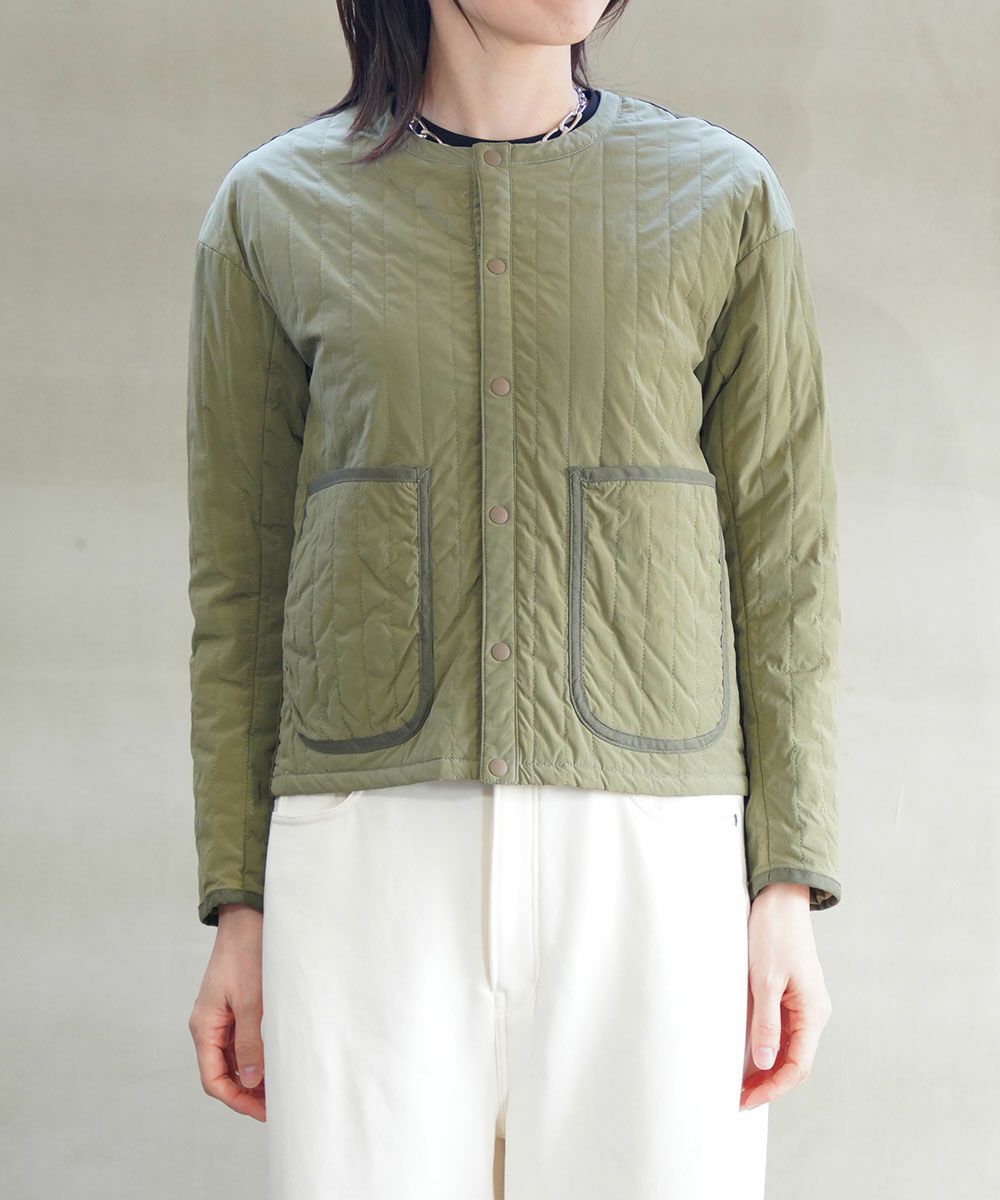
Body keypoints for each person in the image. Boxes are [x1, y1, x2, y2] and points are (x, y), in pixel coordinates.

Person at [185, 2, 842, 1197]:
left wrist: (784, 882)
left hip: (651, 856)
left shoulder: (722, 199)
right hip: (368, 853)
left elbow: (784, 565)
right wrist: (240, 902)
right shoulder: (272, 209)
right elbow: (241, 580)